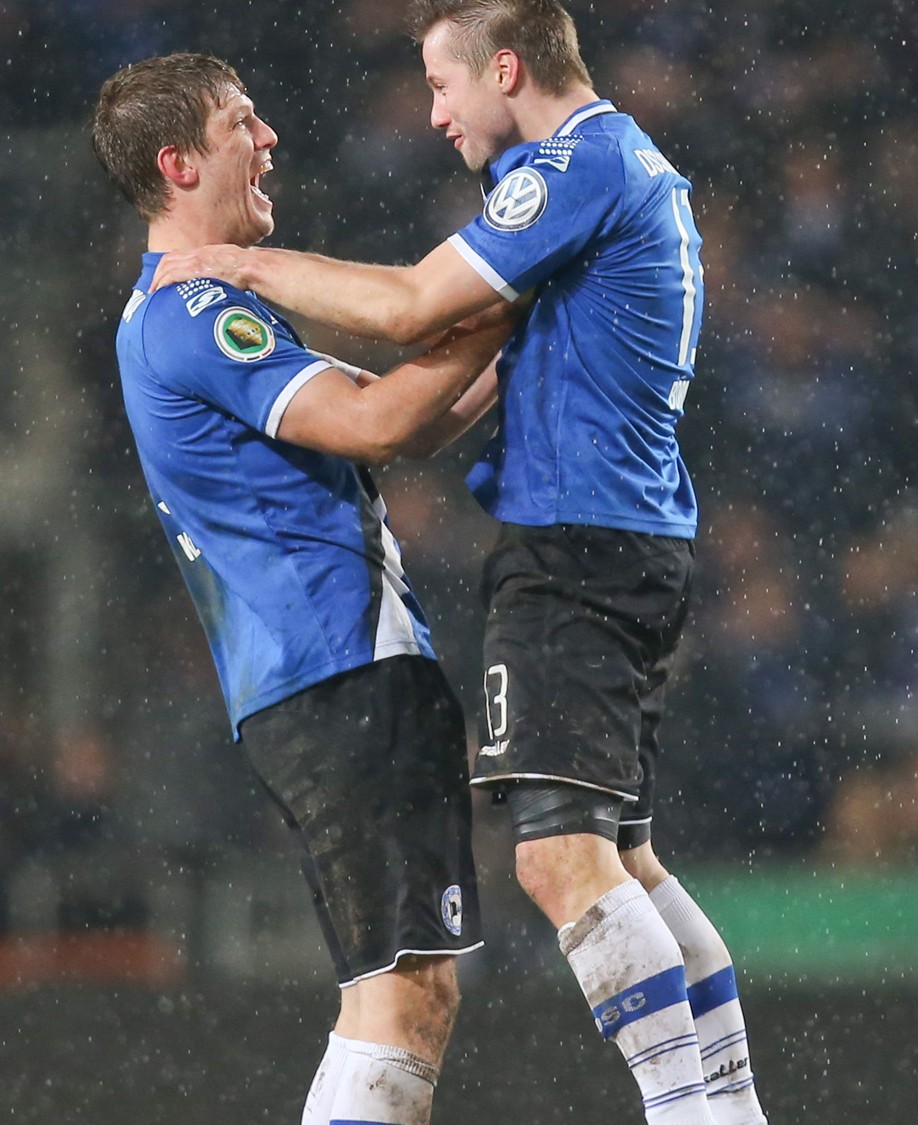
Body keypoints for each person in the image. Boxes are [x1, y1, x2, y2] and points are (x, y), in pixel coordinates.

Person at [149, 4, 765, 1122]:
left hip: (573, 549)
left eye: (443, 85)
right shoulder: (629, 165)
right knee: (619, 857)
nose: (434, 114)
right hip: (625, 541)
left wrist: (249, 263)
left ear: (508, 69)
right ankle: (723, 1112)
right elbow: (411, 409)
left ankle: (696, 1117)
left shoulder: (573, 164)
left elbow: (409, 308)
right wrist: (484, 328)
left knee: (556, 863)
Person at [94, 53, 514, 1125]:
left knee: (403, 985)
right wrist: (516, 284)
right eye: (243, 122)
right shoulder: (196, 315)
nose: (269, 137)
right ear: (178, 163)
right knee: (403, 990)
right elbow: (379, 422)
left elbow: (394, 409)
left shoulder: (187, 315)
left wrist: (510, 339)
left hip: (324, 684)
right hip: (336, 674)